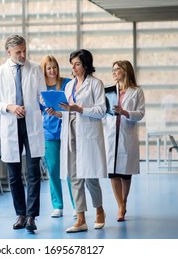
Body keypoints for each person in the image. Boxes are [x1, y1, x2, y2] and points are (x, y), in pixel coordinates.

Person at [0, 34, 46, 232]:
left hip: (32, 125)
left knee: (33, 173)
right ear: (9, 52)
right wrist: (10, 106)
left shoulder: (35, 68)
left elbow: (42, 95)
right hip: (11, 126)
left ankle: (31, 217)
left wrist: (50, 103)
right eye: (18, 52)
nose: (22, 55)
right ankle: (20, 214)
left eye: (24, 51)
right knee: (14, 175)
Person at [47, 49, 107, 233]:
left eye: (77, 64)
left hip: (87, 131)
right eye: (72, 63)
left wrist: (79, 109)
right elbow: (66, 112)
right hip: (70, 131)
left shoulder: (96, 84)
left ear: (86, 65)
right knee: (74, 176)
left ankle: (99, 210)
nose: (73, 67)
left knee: (90, 176)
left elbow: (101, 110)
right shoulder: (68, 86)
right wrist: (56, 113)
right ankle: (80, 218)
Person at [104, 60, 145, 222]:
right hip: (111, 134)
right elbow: (104, 112)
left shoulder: (136, 92)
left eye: (117, 70)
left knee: (125, 174)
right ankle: (120, 205)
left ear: (126, 71)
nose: (113, 73)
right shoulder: (108, 91)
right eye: (112, 70)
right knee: (113, 173)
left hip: (126, 134)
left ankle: (124, 201)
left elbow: (141, 113)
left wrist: (125, 112)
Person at [40, 55, 75, 218]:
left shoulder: (67, 83)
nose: (52, 70)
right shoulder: (41, 87)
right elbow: (39, 108)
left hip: (67, 130)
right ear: (44, 70)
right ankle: (58, 206)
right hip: (49, 132)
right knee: (53, 169)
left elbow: (73, 105)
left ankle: (77, 205)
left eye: (54, 67)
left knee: (70, 170)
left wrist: (61, 112)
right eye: (49, 68)